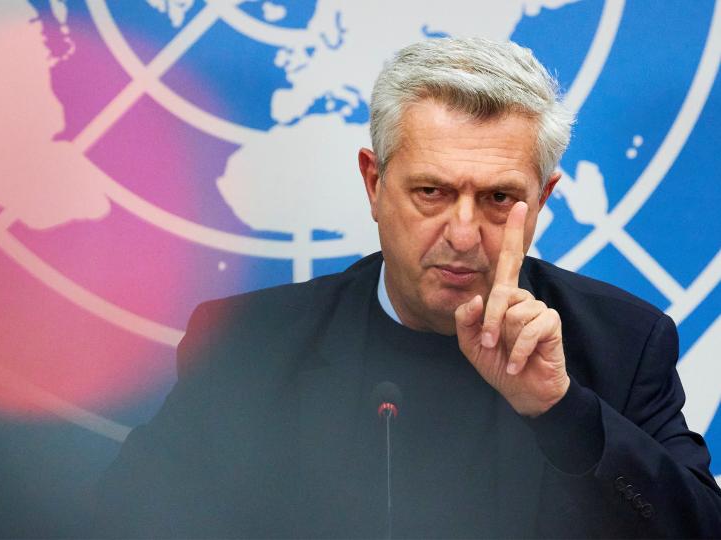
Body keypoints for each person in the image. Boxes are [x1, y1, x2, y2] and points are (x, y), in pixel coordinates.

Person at [96, 37, 721, 538]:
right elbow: (128, 520)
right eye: (432, 192)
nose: (464, 232)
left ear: (543, 200)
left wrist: (563, 411)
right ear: (374, 183)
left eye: (500, 198)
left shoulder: (623, 342)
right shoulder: (251, 343)